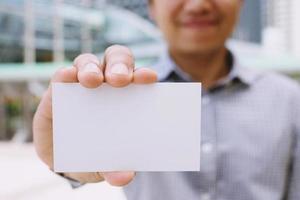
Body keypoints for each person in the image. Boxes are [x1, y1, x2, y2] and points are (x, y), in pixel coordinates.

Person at [33, 0, 300, 199]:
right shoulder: (118, 93)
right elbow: (84, 165)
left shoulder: (290, 100)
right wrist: (69, 158)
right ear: (152, 7)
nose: (198, 5)